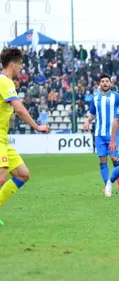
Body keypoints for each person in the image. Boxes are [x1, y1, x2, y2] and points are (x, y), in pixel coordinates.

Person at [0, 48, 50, 224]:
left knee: (23, 174)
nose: (21, 68)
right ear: (12, 64)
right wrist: (36, 126)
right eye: (20, 64)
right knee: (1, 177)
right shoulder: (5, 81)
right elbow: (19, 108)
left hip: (3, 139)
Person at [83, 74, 119, 191]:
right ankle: (107, 185)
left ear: (110, 83)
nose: (105, 83)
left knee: (114, 158)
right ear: (99, 84)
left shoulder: (117, 96)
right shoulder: (95, 98)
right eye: (102, 81)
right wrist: (87, 121)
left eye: (107, 81)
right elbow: (92, 114)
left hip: (113, 133)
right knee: (102, 159)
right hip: (99, 134)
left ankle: (118, 177)